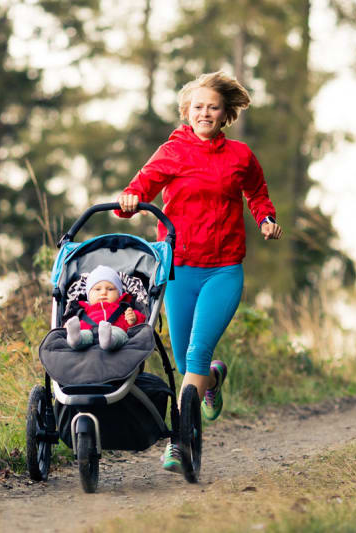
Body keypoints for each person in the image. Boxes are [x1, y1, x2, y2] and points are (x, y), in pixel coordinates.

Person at [115, 71, 282, 474]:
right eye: (197, 107)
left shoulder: (240, 155)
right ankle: (212, 379)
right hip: (178, 269)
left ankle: (179, 442)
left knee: (195, 353)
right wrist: (129, 201)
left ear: (225, 115)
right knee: (184, 357)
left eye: (212, 107)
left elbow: (257, 193)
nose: (204, 113)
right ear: (186, 112)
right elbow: (140, 187)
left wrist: (265, 218)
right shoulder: (171, 152)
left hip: (223, 269)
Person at [65, 265, 147, 351]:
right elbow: (76, 321)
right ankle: (75, 339)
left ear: (119, 293)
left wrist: (133, 318)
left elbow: (140, 321)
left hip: (115, 330)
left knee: (119, 335)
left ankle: (109, 341)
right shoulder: (83, 310)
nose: (103, 292)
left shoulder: (123, 307)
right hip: (89, 331)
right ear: (88, 295)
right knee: (83, 334)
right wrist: (67, 326)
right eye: (97, 289)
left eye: (110, 289)